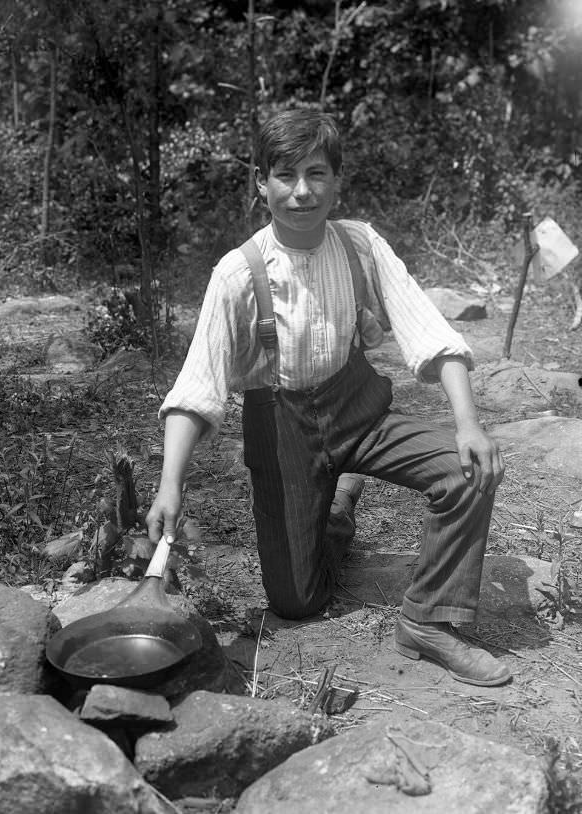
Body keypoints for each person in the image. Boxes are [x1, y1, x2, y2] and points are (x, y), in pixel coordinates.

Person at [146, 109, 510, 687]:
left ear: (337, 182)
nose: (301, 192)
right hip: (283, 430)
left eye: (317, 174)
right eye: (285, 175)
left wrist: (468, 423)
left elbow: (431, 332)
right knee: (295, 602)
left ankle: (429, 622)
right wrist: (170, 485)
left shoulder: (360, 245)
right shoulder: (237, 274)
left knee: (467, 471)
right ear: (261, 183)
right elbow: (197, 388)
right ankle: (335, 508)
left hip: (359, 412)